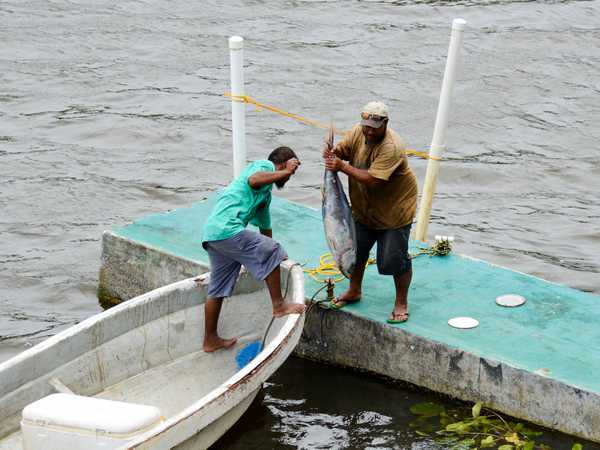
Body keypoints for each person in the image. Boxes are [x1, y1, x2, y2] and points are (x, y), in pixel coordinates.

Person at [201, 146, 306, 352]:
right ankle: (279, 306)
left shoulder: (265, 196)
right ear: (284, 163)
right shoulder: (263, 165)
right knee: (272, 249)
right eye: (290, 170)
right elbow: (254, 180)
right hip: (226, 230)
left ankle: (210, 340)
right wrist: (273, 252)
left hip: (215, 237)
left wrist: (276, 257)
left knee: (218, 289)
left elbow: (265, 230)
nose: (289, 177)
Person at [322, 101, 418, 323]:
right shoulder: (358, 132)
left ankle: (401, 302)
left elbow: (373, 180)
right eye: (366, 125)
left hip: (393, 210)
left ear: (385, 123)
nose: (369, 130)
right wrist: (332, 153)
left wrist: (341, 167)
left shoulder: (392, 146)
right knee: (357, 251)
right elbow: (344, 151)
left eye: (374, 126)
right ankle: (354, 290)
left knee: (392, 260)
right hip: (364, 207)